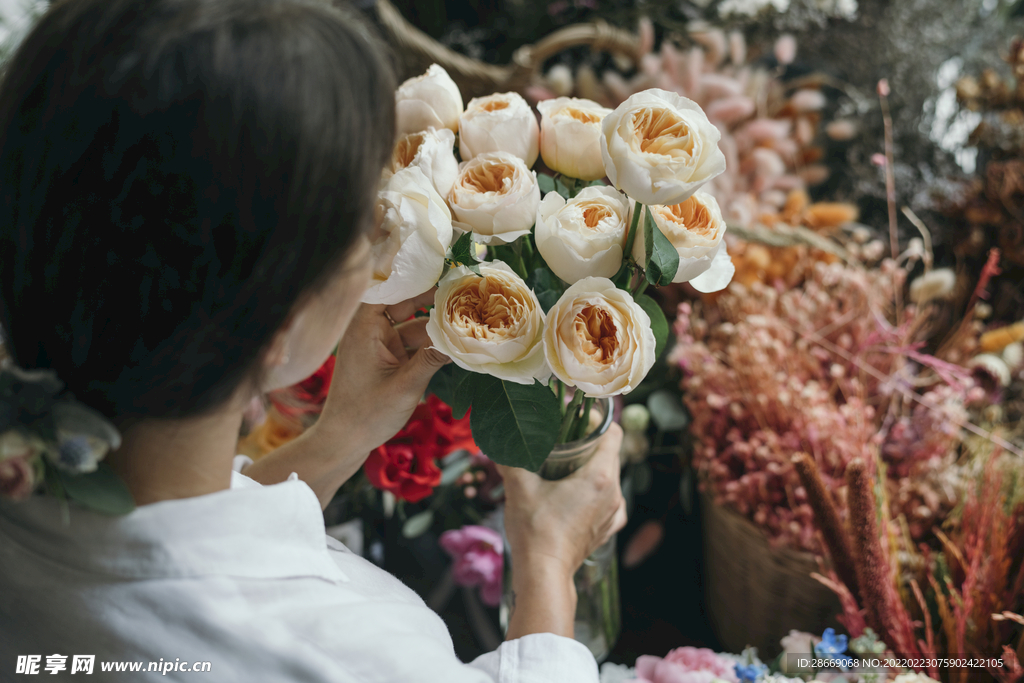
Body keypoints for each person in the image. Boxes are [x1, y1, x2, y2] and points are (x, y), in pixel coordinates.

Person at [0, 0, 627, 681]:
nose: (380, 245)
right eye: (372, 218)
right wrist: (547, 565)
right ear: (277, 323)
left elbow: (175, 538)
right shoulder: (349, 656)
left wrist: (336, 439)